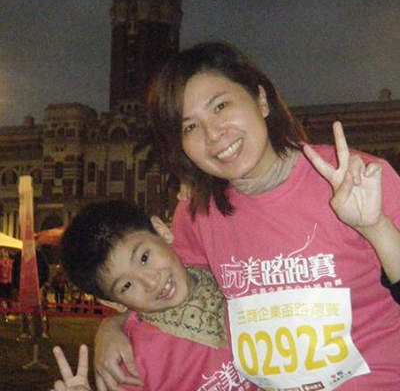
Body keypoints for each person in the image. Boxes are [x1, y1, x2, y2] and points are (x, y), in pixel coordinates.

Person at [93, 41, 400, 391]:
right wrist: (114, 326)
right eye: (190, 127)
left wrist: (376, 227)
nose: (213, 134)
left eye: (220, 106)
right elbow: (171, 289)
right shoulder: (197, 214)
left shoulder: (358, 181)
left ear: (261, 99)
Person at [57, 199, 261, 391]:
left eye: (144, 257)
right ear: (113, 303)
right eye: (127, 285)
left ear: (162, 230)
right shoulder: (133, 361)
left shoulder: (219, 261)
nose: (151, 282)